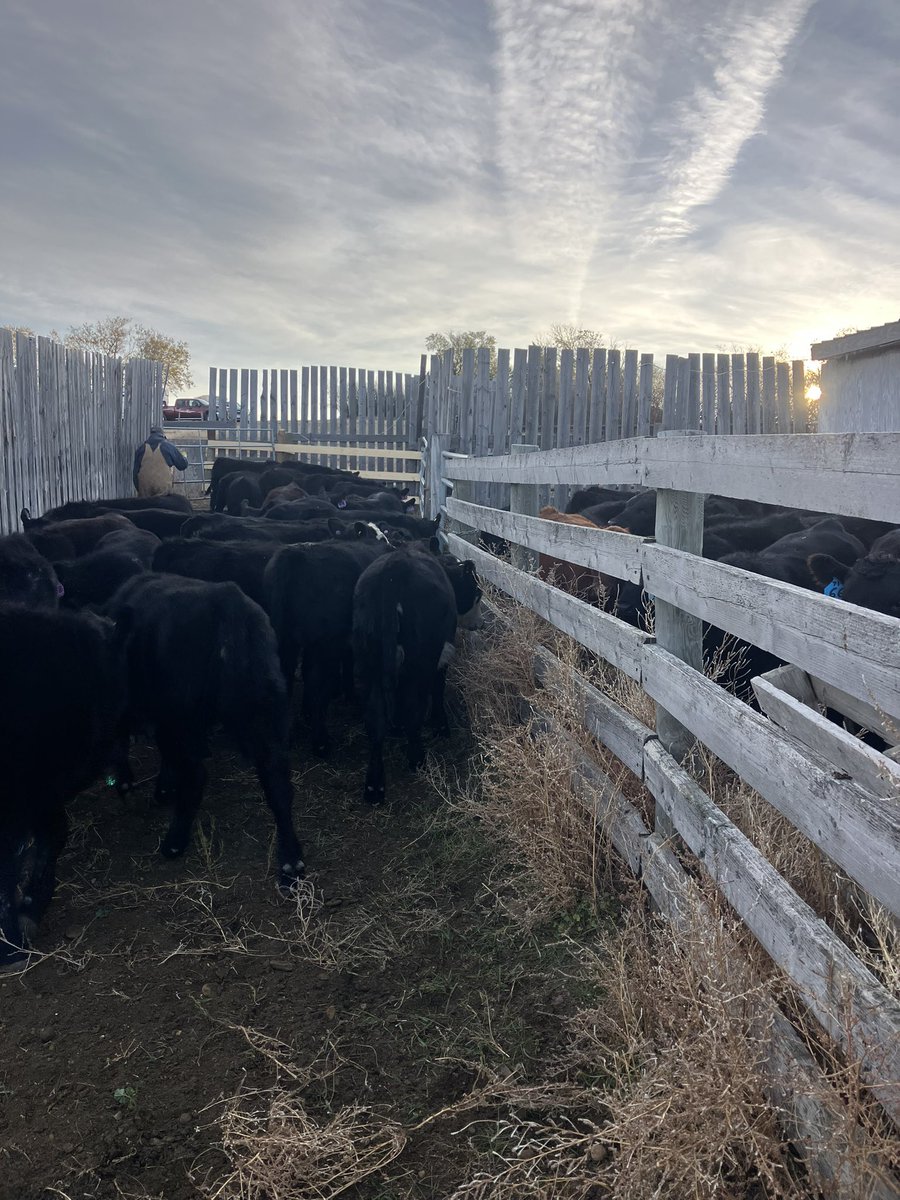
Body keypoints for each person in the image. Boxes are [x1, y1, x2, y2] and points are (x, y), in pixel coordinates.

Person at [133, 427, 189, 497]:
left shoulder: (141, 449)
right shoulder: (168, 446)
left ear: (150, 435)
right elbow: (182, 465)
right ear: (162, 435)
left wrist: (140, 489)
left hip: (144, 490)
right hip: (162, 490)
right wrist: (185, 457)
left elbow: (135, 475)